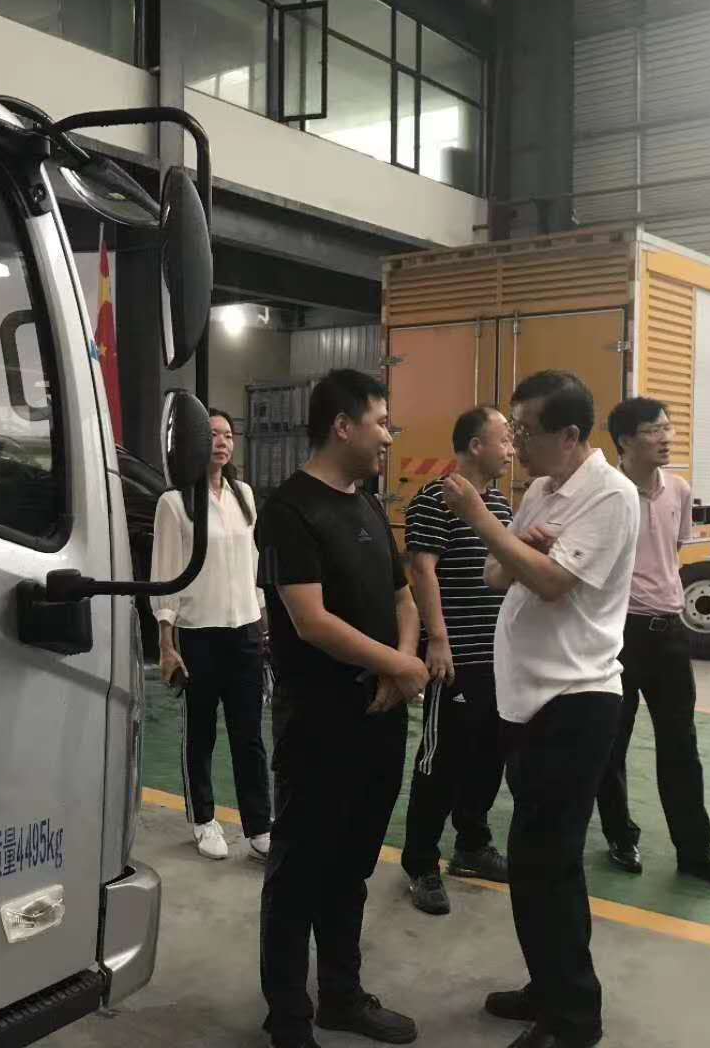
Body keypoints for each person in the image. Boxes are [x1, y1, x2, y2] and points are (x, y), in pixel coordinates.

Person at [442, 370, 638, 1048]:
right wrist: (517, 546)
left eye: (525, 432)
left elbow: (552, 584)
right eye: (514, 430)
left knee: (547, 865)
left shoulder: (610, 495)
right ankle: (547, 985)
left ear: (571, 434)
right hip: (527, 701)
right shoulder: (544, 490)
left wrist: (483, 521)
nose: (515, 444)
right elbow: (498, 574)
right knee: (536, 864)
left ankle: (573, 1019)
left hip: (575, 702)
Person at [256, 369, 428, 1048]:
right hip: (318, 721)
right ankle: (288, 1017)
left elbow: (403, 597)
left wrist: (400, 668)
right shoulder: (290, 510)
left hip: (378, 716)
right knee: (299, 870)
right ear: (343, 425)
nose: (389, 437)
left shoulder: (368, 506)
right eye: (382, 423)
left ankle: (341, 996)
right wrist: (400, 667)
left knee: (352, 865)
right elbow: (311, 621)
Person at [594, 398, 710, 892]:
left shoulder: (678, 489)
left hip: (669, 634)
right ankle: (620, 835)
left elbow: (672, 551)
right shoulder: (606, 491)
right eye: (653, 430)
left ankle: (695, 850)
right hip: (618, 635)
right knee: (611, 743)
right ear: (624, 441)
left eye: (668, 428)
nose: (666, 438)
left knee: (681, 745)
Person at [401, 406, 515, 916]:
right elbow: (422, 571)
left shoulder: (500, 506)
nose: (511, 449)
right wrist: (438, 641)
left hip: (498, 659)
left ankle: (471, 845)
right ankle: (421, 862)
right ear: (475, 445)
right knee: (441, 761)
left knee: (489, 756)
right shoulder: (437, 497)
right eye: (504, 439)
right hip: (456, 658)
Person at [151, 408, 271, 862]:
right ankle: (203, 820)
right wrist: (167, 643)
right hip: (197, 633)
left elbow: (253, 563)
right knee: (200, 734)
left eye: (228, 434)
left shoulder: (244, 495)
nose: (222, 442)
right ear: (195, 443)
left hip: (244, 632)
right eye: (213, 434)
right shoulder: (175, 503)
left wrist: (264, 622)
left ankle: (259, 826)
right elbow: (165, 574)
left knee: (249, 735)